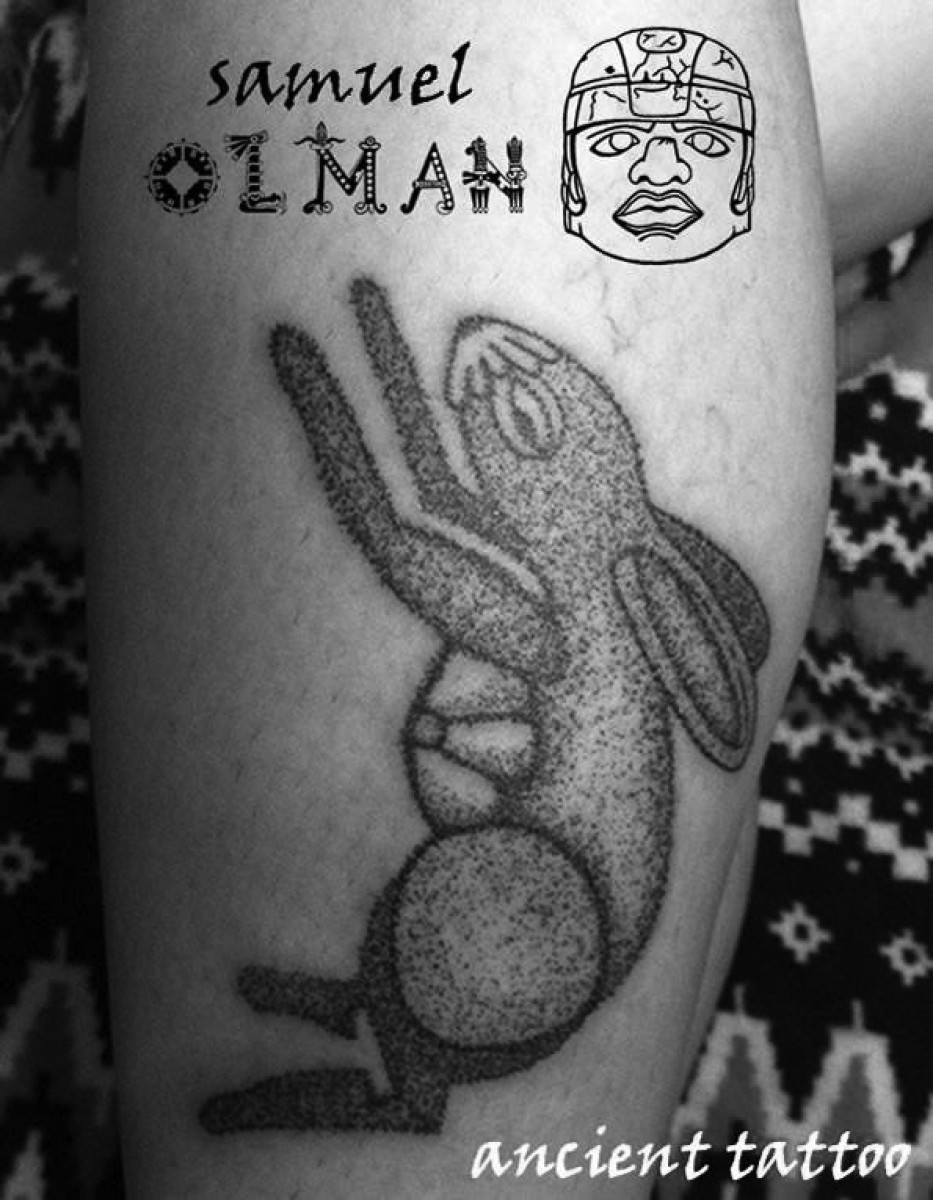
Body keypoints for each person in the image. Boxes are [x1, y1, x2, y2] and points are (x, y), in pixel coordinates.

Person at [0, 0, 927, 1195]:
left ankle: (406, 1122)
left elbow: (400, 538)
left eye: (522, 423)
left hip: (543, 933)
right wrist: (376, 348)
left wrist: (329, 401)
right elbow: (436, 497)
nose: (482, 389)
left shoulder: (560, 620)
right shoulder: (586, 585)